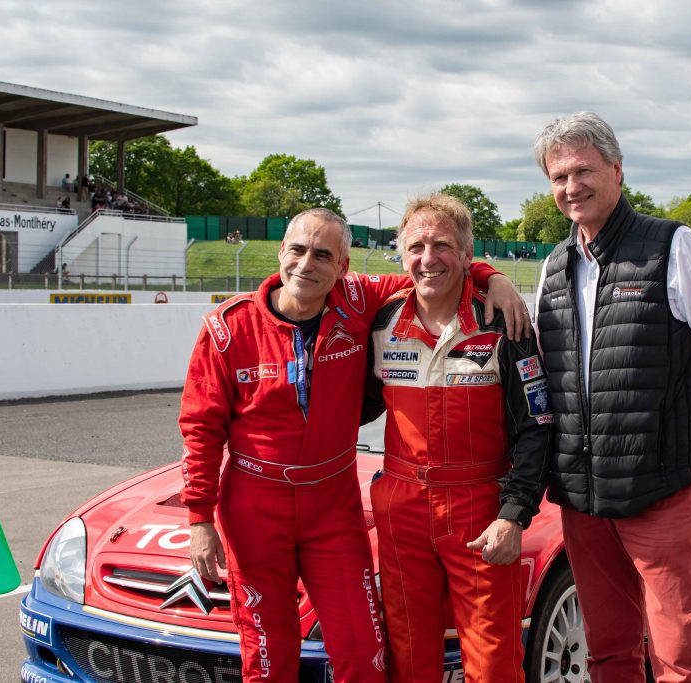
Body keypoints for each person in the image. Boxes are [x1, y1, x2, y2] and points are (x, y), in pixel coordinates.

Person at [179, 207, 527, 682]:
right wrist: (200, 518)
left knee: (365, 653)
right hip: (255, 506)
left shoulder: (360, 299)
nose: (307, 264)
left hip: (333, 506)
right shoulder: (227, 327)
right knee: (266, 655)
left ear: (343, 267)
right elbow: (200, 430)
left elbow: (430, 267)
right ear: (280, 252)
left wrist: (493, 277)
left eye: (323, 255)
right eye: (298, 250)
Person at [533, 112, 691, 683]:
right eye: (557, 176)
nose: (570, 186)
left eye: (583, 170)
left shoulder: (674, 245)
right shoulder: (554, 267)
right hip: (583, 495)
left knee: (679, 652)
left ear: (617, 170)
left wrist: (665, 423)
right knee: (607, 650)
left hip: (661, 487)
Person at [366, 194, 552, 682]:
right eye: (417, 246)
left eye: (443, 245)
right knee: (409, 656)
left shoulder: (503, 323)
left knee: (493, 660)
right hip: (400, 505)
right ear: (401, 254)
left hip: (479, 507)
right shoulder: (381, 321)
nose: (429, 259)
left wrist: (515, 515)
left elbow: (537, 426)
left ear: (469, 255)